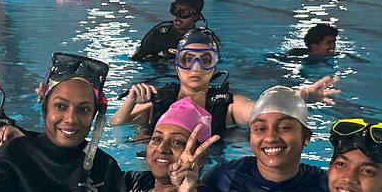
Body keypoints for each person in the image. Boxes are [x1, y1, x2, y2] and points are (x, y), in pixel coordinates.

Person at [174, 85, 328, 192]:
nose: (270, 137)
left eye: (284, 127)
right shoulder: (223, 179)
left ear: (306, 137)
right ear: (250, 138)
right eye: (260, 129)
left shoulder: (325, 188)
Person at [0, 52, 130, 192]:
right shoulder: (14, 156)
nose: (71, 119)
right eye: (60, 106)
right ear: (45, 108)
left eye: (83, 109)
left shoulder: (105, 166)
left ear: (94, 115)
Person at [114, 27, 339, 135]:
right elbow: (117, 126)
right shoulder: (160, 99)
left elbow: (260, 111)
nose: (196, 68)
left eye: (205, 60)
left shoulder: (227, 105)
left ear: (215, 65)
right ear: (176, 64)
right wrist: (131, 101)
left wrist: (302, 96)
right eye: (187, 60)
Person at [132, 0, 206, 62]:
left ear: (196, 16)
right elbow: (137, 58)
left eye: (184, 12)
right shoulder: (160, 34)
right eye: (175, 10)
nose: (177, 16)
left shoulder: (201, 40)